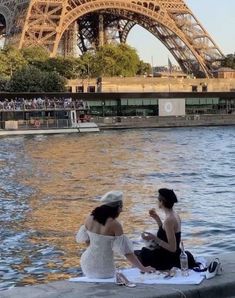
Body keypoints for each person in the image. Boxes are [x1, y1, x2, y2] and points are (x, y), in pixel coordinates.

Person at [76, 190, 156, 278]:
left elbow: (87, 241)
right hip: (104, 268)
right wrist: (143, 268)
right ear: (115, 207)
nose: (122, 210)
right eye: (121, 206)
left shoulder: (89, 218)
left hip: (87, 263)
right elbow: (127, 252)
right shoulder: (115, 224)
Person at [135, 188, 181, 270]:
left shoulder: (169, 220)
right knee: (140, 252)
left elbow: (173, 248)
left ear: (162, 202)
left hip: (167, 259)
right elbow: (165, 234)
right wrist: (157, 218)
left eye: (158, 200)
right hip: (170, 254)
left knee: (138, 254)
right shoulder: (174, 215)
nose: (157, 202)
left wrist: (154, 238)